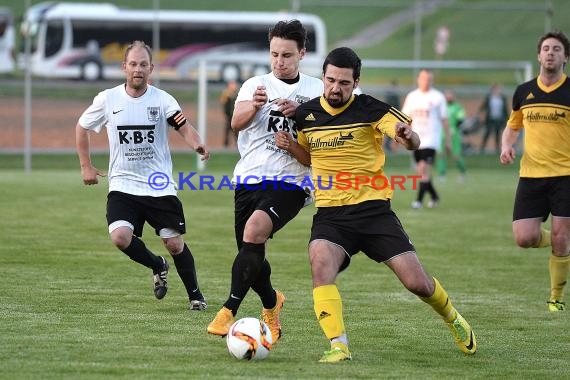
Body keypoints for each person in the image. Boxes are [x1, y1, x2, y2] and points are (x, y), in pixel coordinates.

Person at [275, 47, 476, 363]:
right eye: (330, 80)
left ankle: (452, 317)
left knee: (417, 283)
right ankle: (338, 345)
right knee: (319, 262)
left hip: (373, 211)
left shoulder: (373, 109)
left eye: (344, 82)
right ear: (323, 78)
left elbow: (411, 141)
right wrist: (290, 148)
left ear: (356, 82)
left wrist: (407, 137)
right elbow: (311, 158)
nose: (336, 88)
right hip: (331, 215)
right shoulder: (306, 115)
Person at [206, 20, 324, 343]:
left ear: (302, 53)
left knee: (255, 230)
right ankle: (272, 304)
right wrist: (254, 106)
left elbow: (316, 156)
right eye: (274, 54)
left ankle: (228, 309)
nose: (279, 61)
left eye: (287, 55)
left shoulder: (316, 91)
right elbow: (235, 123)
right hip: (248, 179)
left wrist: (300, 114)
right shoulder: (254, 85)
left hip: (291, 182)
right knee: (250, 251)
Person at [75, 40, 209, 310]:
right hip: (123, 185)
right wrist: (86, 166)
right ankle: (157, 265)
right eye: (133, 64)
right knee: (119, 237)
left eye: (143, 64)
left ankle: (196, 296)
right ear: (124, 67)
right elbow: (82, 126)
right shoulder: (108, 99)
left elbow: (183, 126)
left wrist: (197, 143)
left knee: (173, 243)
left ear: (152, 69)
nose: (138, 69)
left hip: (157, 185)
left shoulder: (162, 99)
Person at [500, 31, 570, 312]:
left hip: (566, 174)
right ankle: (561, 243)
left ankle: (556, 297)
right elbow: (512, 126)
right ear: (538, 55)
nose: (550, 53)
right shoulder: (523, 91)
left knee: (561, 234)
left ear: (565, 57)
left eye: (556, 49)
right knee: (524, 238)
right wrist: (506, 145)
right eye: (546, 48)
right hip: (531, 175)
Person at [402, 69, 450, 209]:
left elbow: (444, 120)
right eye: (423, 78)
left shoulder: (438, 97)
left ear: (432, 80)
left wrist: (447, 139)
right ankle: (434, 196)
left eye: (429, 79)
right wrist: (398, 137)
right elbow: (405, 118)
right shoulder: (412, 96)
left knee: (423, 168)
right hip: (415, 139)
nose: (426, 81)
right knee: (422, 172)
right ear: (418, 79)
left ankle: (418, 201)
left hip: (431, 139)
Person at [437, 89, 467, 181]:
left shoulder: (458, 107)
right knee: (441, 154)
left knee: (456, 155)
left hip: (454, 135)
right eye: (447, 95)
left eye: (450, 95)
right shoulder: (441, 107)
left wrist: (453, 129)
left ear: (453, 96)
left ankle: (462, 172)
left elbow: (460, 120)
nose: (449, 97)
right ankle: (442, 175)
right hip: (441, 134)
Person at [479, 83, 509, 154]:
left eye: (498, 89)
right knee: (487, 133)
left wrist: (508, 118)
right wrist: (480, 114)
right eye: (496, 89)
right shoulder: (489, 98)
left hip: (499, 119)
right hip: (490, 119)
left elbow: (505, 109)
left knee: (497, 134)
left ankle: (497, 149)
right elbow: (483, 106)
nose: (498, 91)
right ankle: (482, 148)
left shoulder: (502, 98)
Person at [219, 80, 238, 148]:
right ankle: (226, 144)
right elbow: (223, 103)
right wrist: (226, 114)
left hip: (234, 115)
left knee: (235, 130)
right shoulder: (227, 93)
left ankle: (237, 144)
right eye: (233, 85)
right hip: (229, 115)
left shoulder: (236, 94)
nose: (234, 86)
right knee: (228, 129)